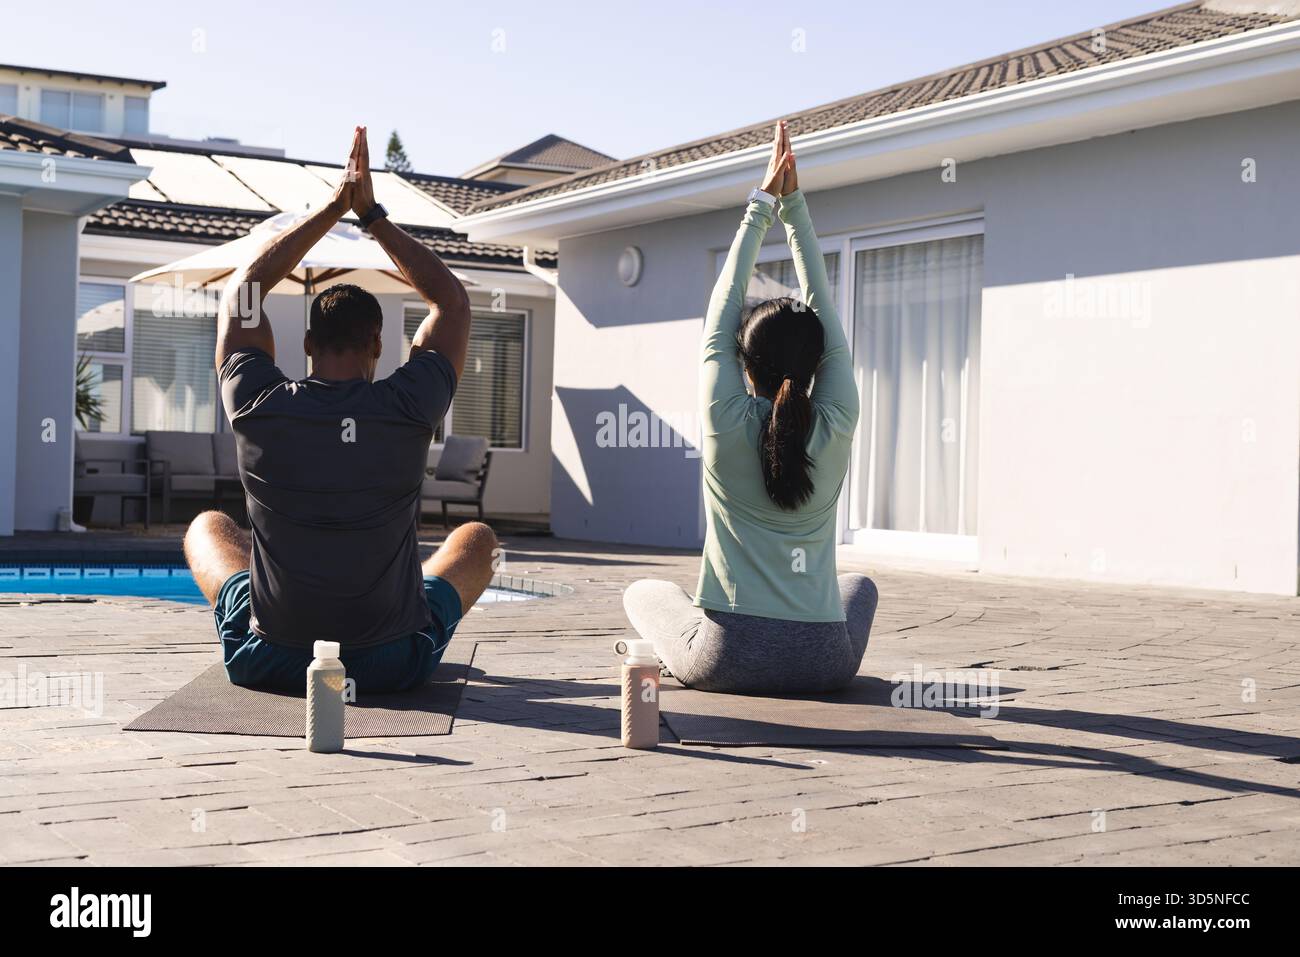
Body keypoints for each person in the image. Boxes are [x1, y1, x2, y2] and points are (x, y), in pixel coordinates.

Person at [182, 126, 497, 694]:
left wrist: (332, 208)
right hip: (388, 662)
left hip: (272, 659)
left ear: (306, 344)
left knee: (207, 526)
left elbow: (245, 289)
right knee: (477, 540)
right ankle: (405, 603)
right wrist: (370, 215)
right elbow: (450, 300)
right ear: (378, 344)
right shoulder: (409, 406)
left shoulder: (258, 403)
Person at [623, 121, 878, 695]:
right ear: (819, 365)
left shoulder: (725, 417)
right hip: (823, 663)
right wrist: (795, 211)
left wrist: (764, 205)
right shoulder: (837, 417)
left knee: (643, 593)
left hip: (726, 659)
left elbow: (722, 309)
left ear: (745, 364)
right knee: (859, 584)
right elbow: (826, 316)